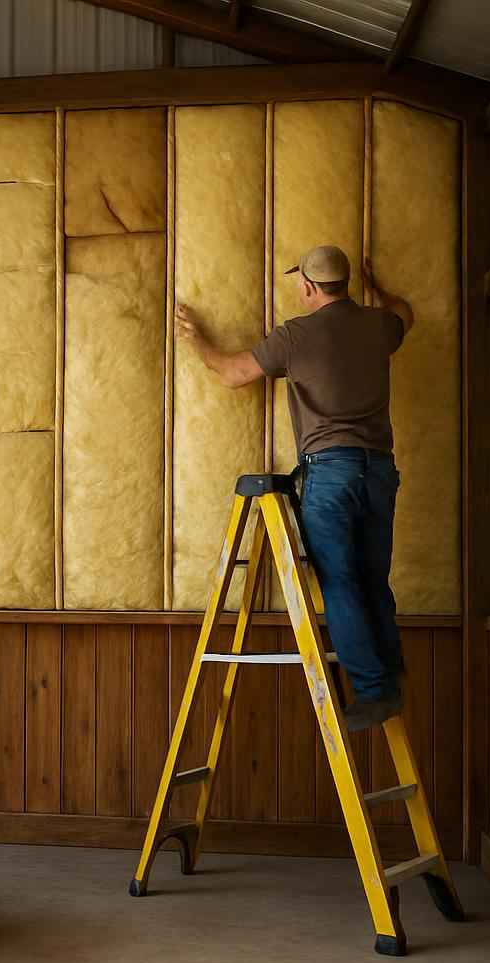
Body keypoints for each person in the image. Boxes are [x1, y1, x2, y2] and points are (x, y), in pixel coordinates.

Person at [175, 244, 414, 731]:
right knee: (373, 580)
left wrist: (196, 339)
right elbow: (405, 312)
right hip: (380, 471)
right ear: (344, 283)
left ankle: (370, 693)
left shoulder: (296, 336)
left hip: (331, 472)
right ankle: (388, 681)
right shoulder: (379, 327)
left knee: (341, 583)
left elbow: (232, 373)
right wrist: (378, 289)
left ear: (307, 287)